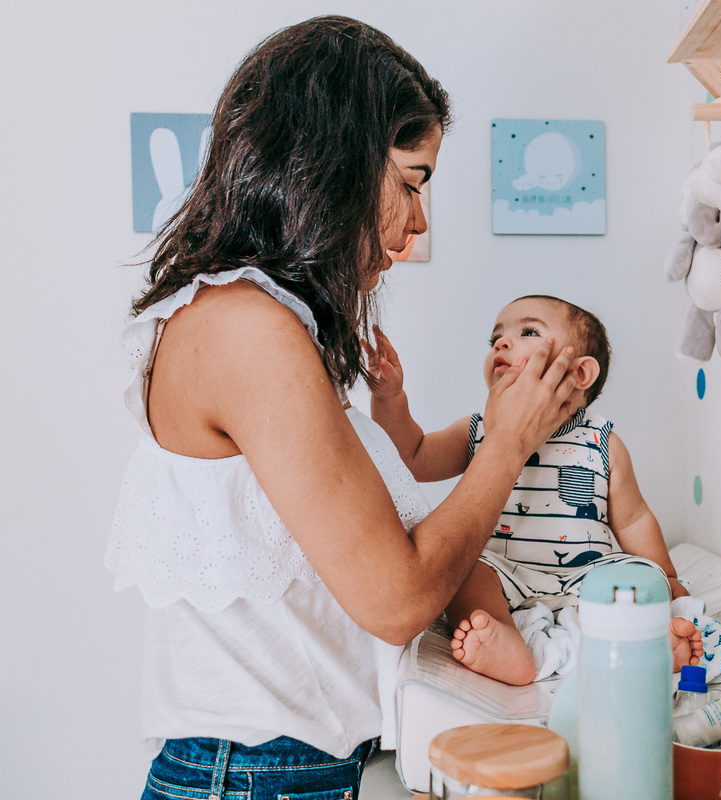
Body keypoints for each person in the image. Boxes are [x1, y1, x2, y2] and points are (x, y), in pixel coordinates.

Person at [104, 16, 581, 800]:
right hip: (257, 776)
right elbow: (396, 599)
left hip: (269, 771)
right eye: (412, 183)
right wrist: (508, 445)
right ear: (336, 161)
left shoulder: (243, 319)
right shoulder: (246, 329)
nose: (419, 221)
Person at [363, 295, 704, 686]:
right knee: (461, 576)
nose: (500, 344)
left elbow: (634, 517)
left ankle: (646, 639)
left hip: (587, 574)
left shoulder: (602, 441)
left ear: (580, 374)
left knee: (641, 581)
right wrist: (390, 399)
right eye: (495, 338)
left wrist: (665, 573)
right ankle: (507, 646)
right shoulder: (476, 432)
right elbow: (412, 454)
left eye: (527, 332)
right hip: (506, 576)